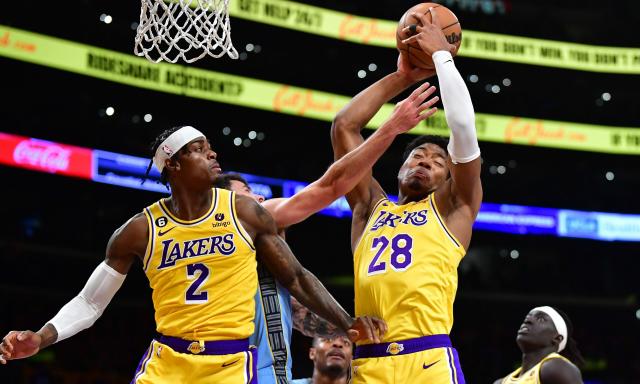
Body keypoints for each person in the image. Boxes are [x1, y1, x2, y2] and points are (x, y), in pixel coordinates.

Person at [0, 126, 386, 383]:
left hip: (229, 364)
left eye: (209, 146)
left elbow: (297, 277)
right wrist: (41, 337)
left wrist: (345, 321)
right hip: (168, 361)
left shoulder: (243, 211)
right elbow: (89, 302)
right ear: (174, 163)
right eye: (200, 149)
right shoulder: (139, 229)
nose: (213, 153)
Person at [213, 82, 441, 383]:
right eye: (249, 194)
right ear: (225, 203)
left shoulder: (251, 250)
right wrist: (393, 123)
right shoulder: (245, 220)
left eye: (438, 162)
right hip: (233, 365)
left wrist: (346, 327)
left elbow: (297, 297)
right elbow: (332, 182)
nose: (259, 200)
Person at [331, 7, 482, 384]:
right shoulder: (368, 208)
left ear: (449, 179)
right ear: (398, 169)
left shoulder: (454, 207)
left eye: (437, 161)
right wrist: (400, 78)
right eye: (418, 156)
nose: (426, 162)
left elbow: (462, 126)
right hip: (368, 361)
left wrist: (440, 56)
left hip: (427, 359)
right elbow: (344, 125)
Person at [494, 306, 584, 384]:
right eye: (527, 318)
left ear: (557, 338)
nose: (528, 320)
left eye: (541, 319)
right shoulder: (500, 382)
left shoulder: (555, 367)